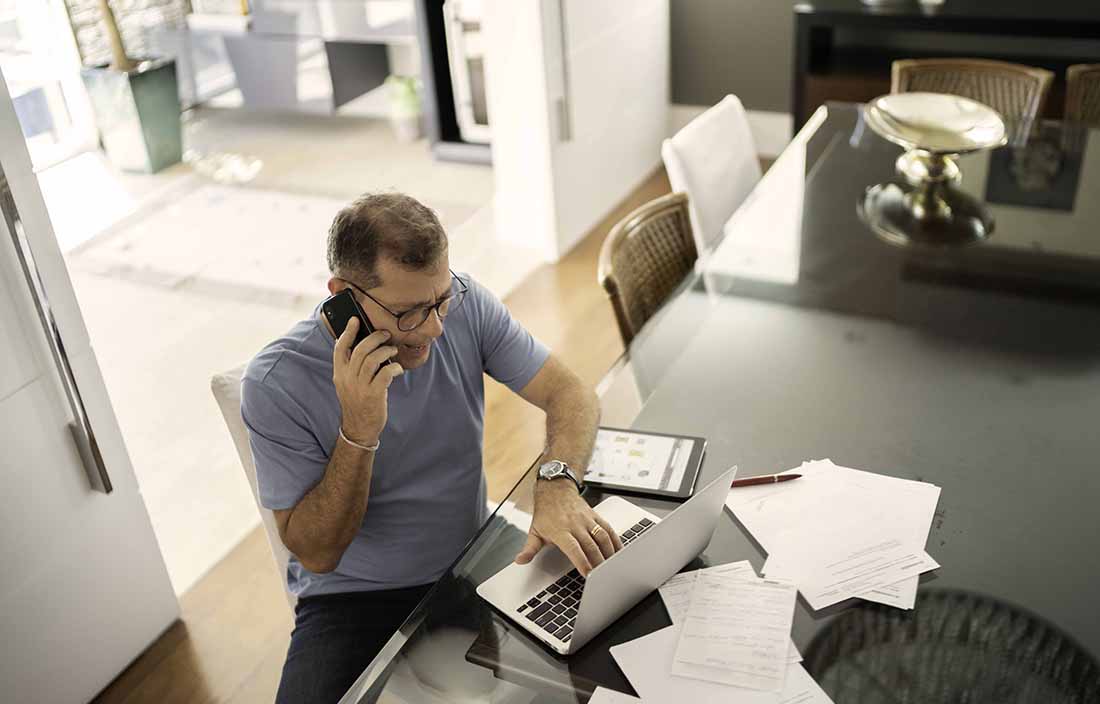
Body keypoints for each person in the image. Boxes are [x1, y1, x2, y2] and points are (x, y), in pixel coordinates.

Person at [241, 192, 619, 702]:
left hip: (474, 557)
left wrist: (555, 484)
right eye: (409, 312)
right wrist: (359, 430)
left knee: (608, 652)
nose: (436, 328)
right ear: (342, 296)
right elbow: (319, 554)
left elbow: (571, 394)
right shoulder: (276, 382)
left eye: (441, 299)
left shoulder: (466, 307)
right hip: (352, 599)